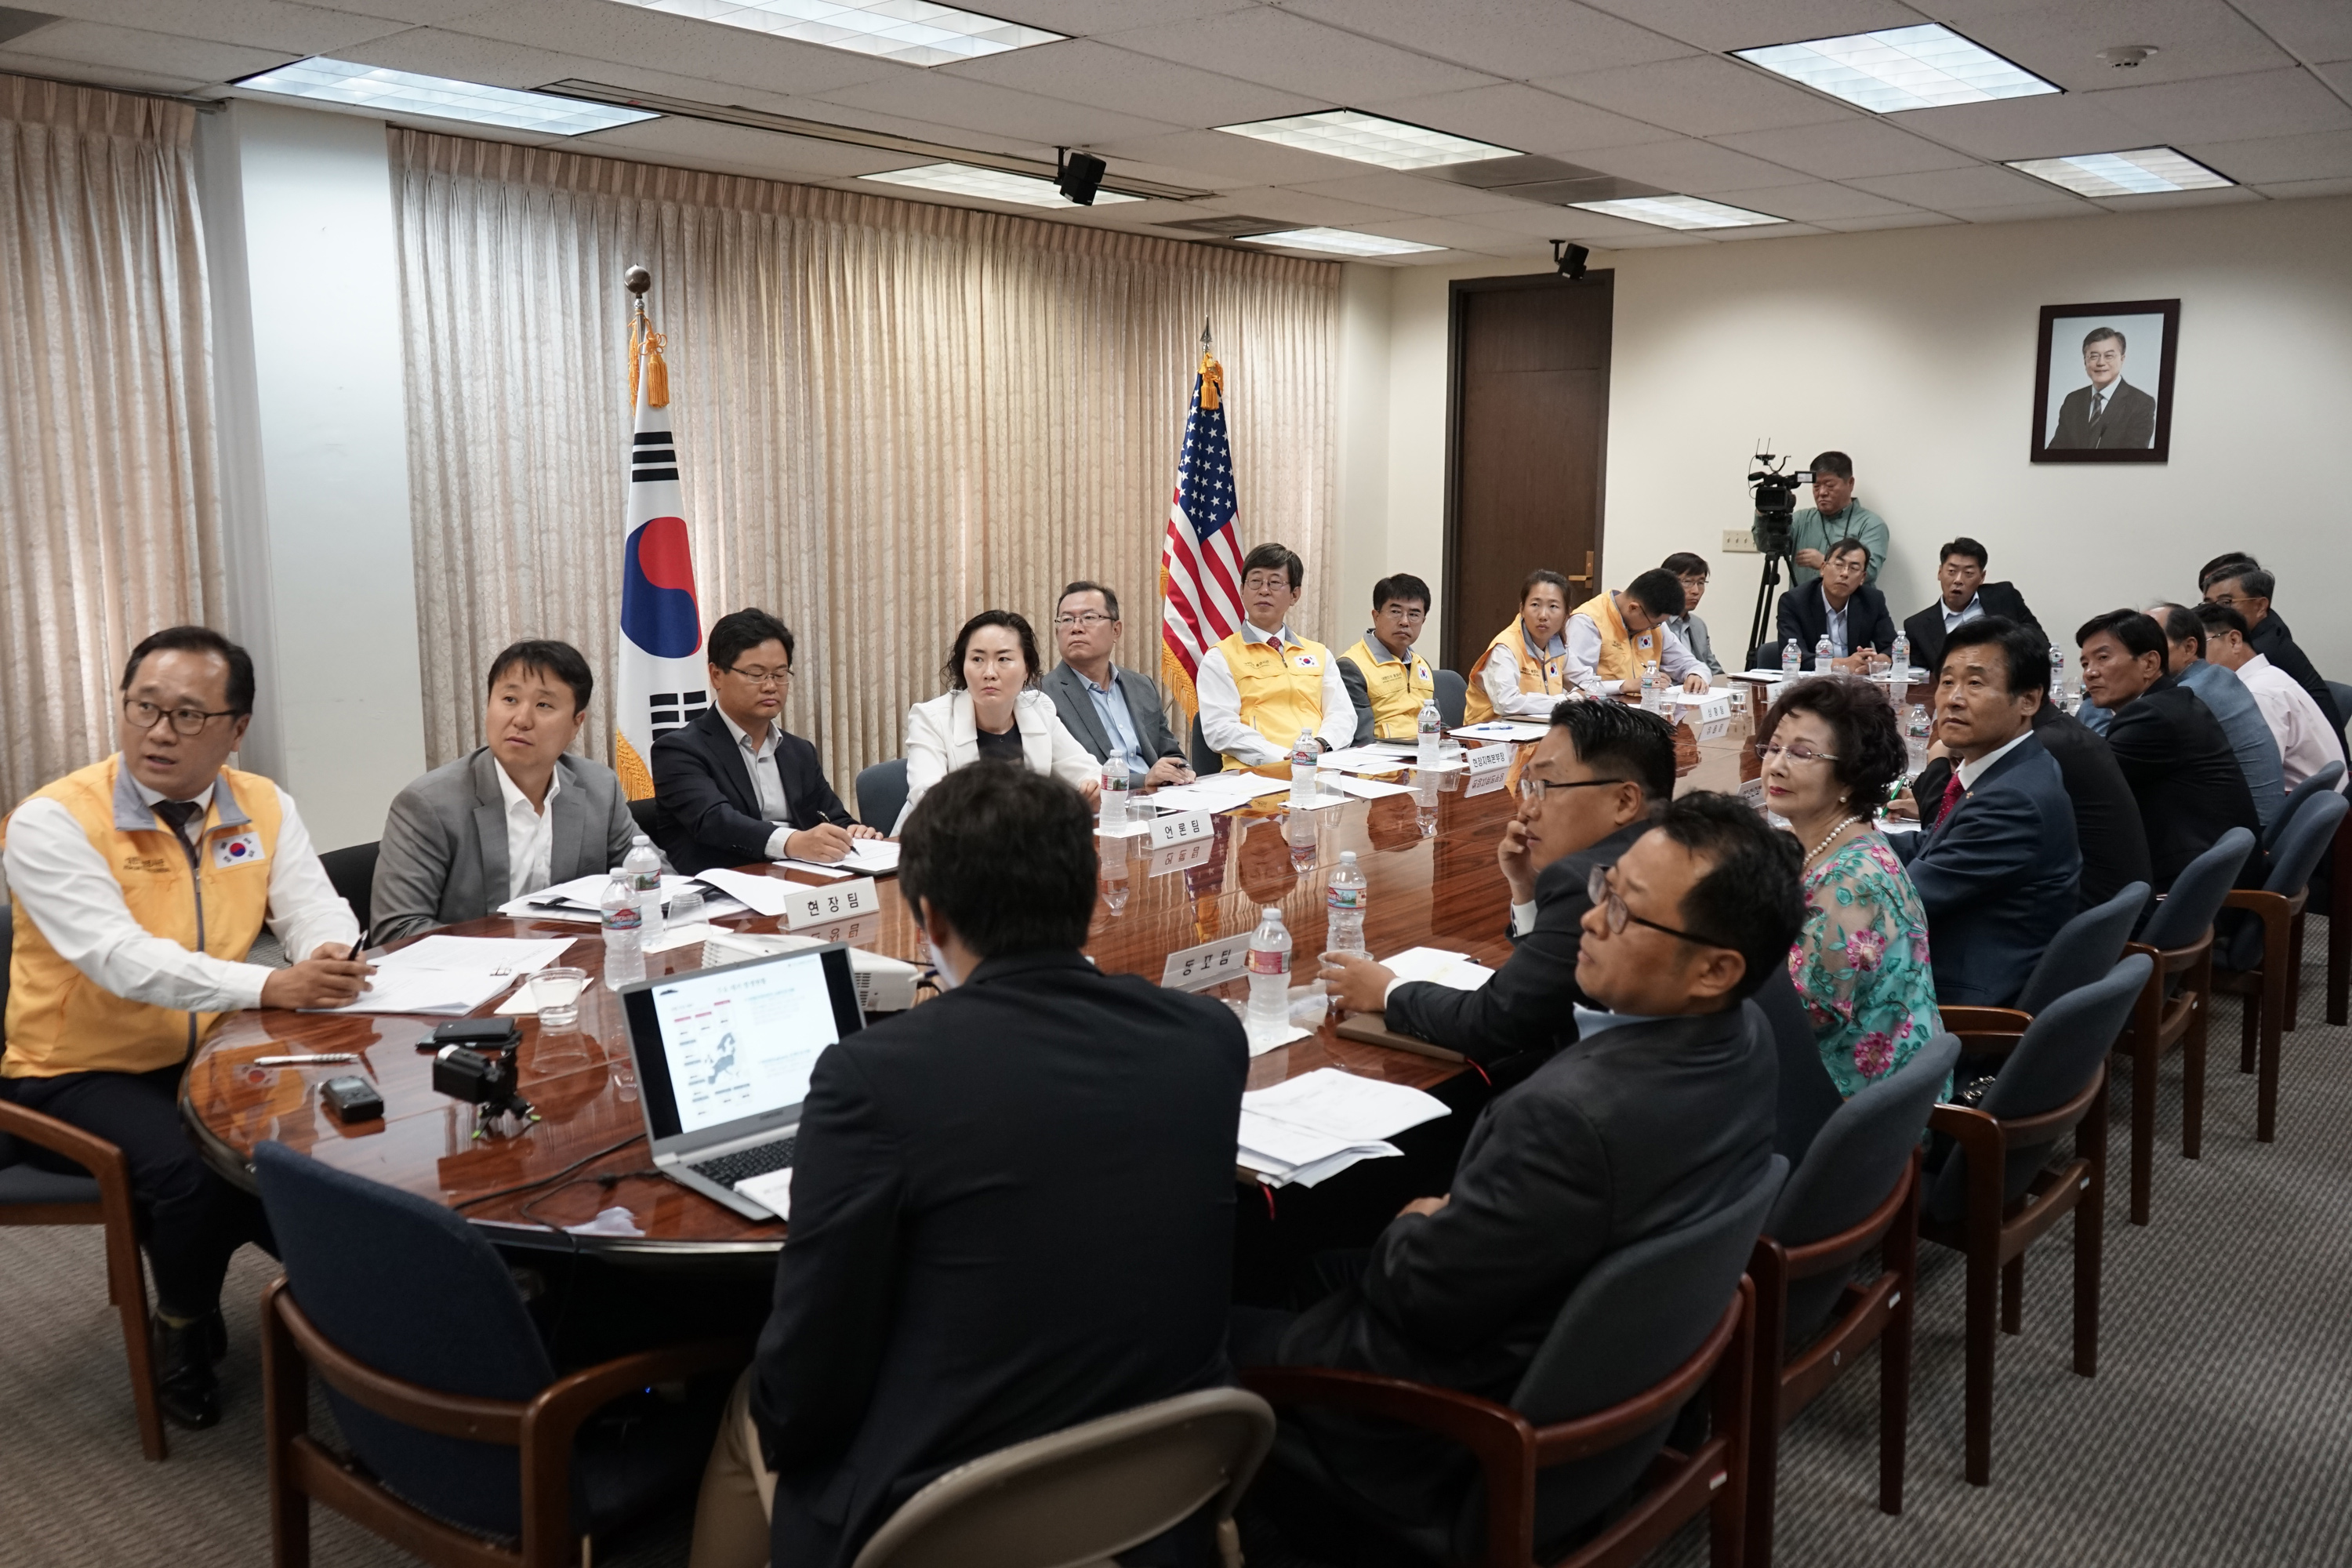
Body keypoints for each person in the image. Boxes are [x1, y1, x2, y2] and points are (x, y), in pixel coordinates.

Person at [688, 766, 1247, 1568]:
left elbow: (808, 1375)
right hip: (1160, 1485)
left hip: (944, 1519)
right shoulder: (1206, 1038)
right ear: (1093, 895)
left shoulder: (872, 1076)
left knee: (753, 1398)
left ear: (930, 918)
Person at [1235, 793, 1798, 1546]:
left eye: (1623, 911)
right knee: (1309, 1262)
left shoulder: (1568, 1120)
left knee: (1202, 1332)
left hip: (1453, 1427)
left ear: (1715, 969)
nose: (1591, 920)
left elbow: (1422, 1296)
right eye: (1603, 888)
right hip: (1588, 1351)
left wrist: (1415, 1225)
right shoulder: (1746, 1034)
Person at [2, 626, 368, 1428]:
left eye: (189, 714)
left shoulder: (262, 803)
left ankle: (359, 1319)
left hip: (208, 1048)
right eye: (144, 707)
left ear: (237, 729)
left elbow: (311, 905)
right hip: (73, 1069)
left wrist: (327, 951)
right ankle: (185, 1324)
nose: (160, 732)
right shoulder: (52, 820)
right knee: (196, 1171)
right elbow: (120, 959)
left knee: (326, 1139)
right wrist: (273, 983)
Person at [1318, 702, 1675, 1077]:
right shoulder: (1675, 849)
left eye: (1546, 787)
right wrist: (1526, 888)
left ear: (1624, 801)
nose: (1527, 809)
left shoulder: (1587, 879)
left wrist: (1387, 991)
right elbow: (1545, 989)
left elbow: (1494, 1021)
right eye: (1528, 786)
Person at [370, 641, 641, 944]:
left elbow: (652, 882)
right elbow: (398, 929)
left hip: (575, 963)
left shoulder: (599, 787)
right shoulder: (428, 805)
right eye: (510, 699)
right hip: (474, 969)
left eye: (543, 705)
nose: (521, 720)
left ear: (576, 723)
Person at [1757, 677, 1944, 1093]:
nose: (1776, 766)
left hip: (1858, 1106)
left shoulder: (1848, 883)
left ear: (1850, 777)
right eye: (1773, 747)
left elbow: (1799, 1019)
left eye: (1801, 753)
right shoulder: (1841, 841)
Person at [1889, 620, 2081, 1007]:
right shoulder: (2018, 765)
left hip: (1962, 996)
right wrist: (1835, 842)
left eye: (1975, 683)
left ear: (2029, 700)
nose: (1953, 699)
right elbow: (1933, 845)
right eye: (1947, 682)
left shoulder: (2013, 801)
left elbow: (1901, 901)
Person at [652, 608, 877, 877]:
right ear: (716, 675)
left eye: (780, 674)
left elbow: (831, 815)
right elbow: (715, 822)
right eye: (756, 674)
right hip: (722, 887)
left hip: (799, 882)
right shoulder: (678, 751)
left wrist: (852, 831)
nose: (771, 686)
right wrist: (792, 842)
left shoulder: (799, 751)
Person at [2078, 610, 2261, 893]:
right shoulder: (2170, 701)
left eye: (2103, 658)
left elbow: (2087, 785)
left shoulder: (2153, 717)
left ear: (2150, 663)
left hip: (2197, 892)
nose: (2090, 672)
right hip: (2213, 871)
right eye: (2085, 663)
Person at [902, 610, 1100, 830]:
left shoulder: (1039, 709)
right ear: (963, 667)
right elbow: (929, 802)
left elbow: (1091, 773)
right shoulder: (931, 718)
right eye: (977, 659)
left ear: (1027, 669)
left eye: (1003, 659)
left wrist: (1094, 789)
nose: (989, 673)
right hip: (942, 844)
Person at [1196, 543, 1355, 775]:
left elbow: (1342, 715)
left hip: (1320, 767)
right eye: (1255, 581)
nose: (1264, 590)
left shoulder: (1319, 654)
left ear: (1294, 595)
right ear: (1242, 590)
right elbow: (1220, 729)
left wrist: (1320, 745)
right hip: (1254, 774)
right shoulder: (1220, 657)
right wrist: (1286, 758)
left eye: (1275, 582)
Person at [1039, 581, 1193, 788]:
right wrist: (1144, 780)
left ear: (1116, 630)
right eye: (1066, 620)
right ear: (1057, 632)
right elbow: (1066, 778)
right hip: (1103, 803)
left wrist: (1181, 770)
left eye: (1089, 618)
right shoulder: (1041, 696)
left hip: (1161, 795)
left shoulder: (1142, 686)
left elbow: (1170, 752)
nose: (1076, 628)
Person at [2151, 604, 2284, 831]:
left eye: (2153, 644)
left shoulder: (2190, 694)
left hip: (2245, 833)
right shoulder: (2218, 675)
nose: (2144, 654)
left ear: (2189, 647)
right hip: (2260, 821)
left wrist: (2103, 700)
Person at [2200, 602, 2347, 797]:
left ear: (2234, 641)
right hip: (2312, 799)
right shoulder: (2266, 678)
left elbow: (2256, 775)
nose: (2193, 660)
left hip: (2302, 807)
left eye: (2199, 647)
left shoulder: (2258, 694)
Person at [2200, 561, 2347, 748]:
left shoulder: (2259, 652)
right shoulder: (2265, 627)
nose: (2213, 614)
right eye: (2208, 604)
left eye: (2225, 603)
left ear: (2261, 606)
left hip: (2311, 755)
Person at [1900, 537, 2044, 679]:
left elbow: (2039, 643)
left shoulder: (2005, 597)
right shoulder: (1917, 627)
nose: (1958, 580)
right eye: (1952, 571)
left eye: (1968, 573)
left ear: (1982, 577)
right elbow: (1925, 680)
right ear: (1939, 573)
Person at [1564, 568, 1711, 698]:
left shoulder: (1655, 624)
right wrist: (1625, 686)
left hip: (1643, 710)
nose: (1655, 628)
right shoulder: (1587, 622)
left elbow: (1689, 663)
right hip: (1602, 712)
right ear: (1634, 608)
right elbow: (1577, 684)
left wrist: (1696, 675)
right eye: (1654, 624)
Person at [1760, 450, 1887, 586]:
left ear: (1850, 483)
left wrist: (1825, 563)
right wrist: (1762, 513)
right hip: (1803, 600)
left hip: (1850, 601)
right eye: (1816, 486)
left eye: (1830, 485)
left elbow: (1870, 571)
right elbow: (1766, 546)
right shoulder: (1801, 519)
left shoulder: (1870, 524)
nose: (1822, 492)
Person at [1464, 569, 1574, 724]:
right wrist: (1563, 702)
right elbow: (1507, 703)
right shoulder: (1505, 647)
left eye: (1553, 606)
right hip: (1490, 734)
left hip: (1536, 730)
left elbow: (1583, 685)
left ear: (1567, 614)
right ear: (1522, 609)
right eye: (1535, 605)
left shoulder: (1557, 645)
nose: (1543, 615)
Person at [1337, 573, 1439, 742]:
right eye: (1396, 612)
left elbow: (1436, 724)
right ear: (1376, 617)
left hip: (1425, 752)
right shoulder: (1352, 667)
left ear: (1423, 621)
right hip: (1385, 755)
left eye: (1414, 614)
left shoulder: (1421, 665)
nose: (1405, 622)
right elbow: (1362, 739)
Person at [1773, 537, 1897, 673]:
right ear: (1823, 568)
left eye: (1854, 568)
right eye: (1839, 565)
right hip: (1814, 683)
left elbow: (1892, 647)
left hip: (1857, 682)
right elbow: (1793, 656)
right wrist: (1843, 665)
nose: (1845, 573)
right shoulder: (1794, 601)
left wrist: (1876, 662)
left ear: (1862, 578)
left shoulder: (1872, 600)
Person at [2049, 326, 2157, 450]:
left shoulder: (2141, 403)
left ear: (2122, 359)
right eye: (2094, 356)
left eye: (2109, 356)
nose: (2101, 363)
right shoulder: (2073, 400)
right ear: (2085, 361)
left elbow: (2134, 455)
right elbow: (2056, 450)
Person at [1661, 551, 1724, 677]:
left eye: (1701, 583)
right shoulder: (1654, 624)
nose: (1696, 591)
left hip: (1699, 686)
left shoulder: (1698, 625)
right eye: (1687, 582)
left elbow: (1715, 671)